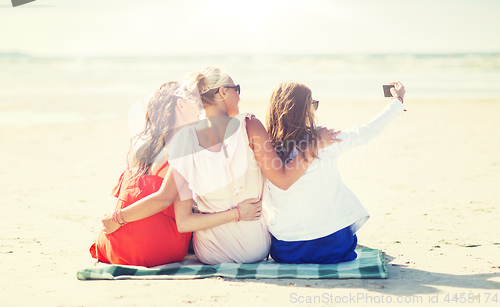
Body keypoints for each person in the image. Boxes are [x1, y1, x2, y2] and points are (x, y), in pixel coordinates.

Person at [101, 67, 341, 265]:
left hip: (210, 255)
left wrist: (119, 217)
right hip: (254, 251)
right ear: (223, 93)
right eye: (237, 90)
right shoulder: (250, 125)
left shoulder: (184, 140)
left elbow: (182, 221)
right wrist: (314, 144)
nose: (240, 96)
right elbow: (283, 180)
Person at [264, 81, 406, 264]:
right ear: (303, 111)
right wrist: (398, 101)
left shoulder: (265, 150)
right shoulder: (324, 141)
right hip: (332, 249)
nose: (315, 109)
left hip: (286, 251)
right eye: (313, 104)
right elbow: (368, 131)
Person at [90, 81, 201, 267]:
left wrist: (116, 217)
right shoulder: (182, 146)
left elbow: (131, 196)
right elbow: (162, 198)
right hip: (156, 248)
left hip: (115, 245)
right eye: (195, 101)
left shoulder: (140, 145)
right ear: (180, 105)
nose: (200, 107)